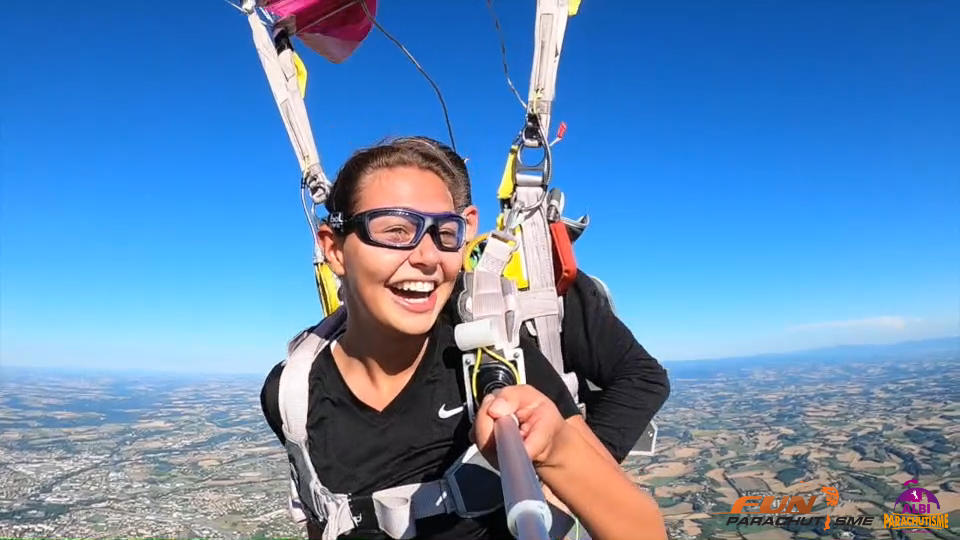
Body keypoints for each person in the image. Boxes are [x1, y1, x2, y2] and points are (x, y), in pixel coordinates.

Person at [260, 138, 666, 540]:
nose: (427, 256)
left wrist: (558, 454)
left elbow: (642, 530)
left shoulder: (495, 363)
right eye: (396, 230)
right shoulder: (292, 393)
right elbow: (324, 515)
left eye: (445, 232)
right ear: (335, 250)